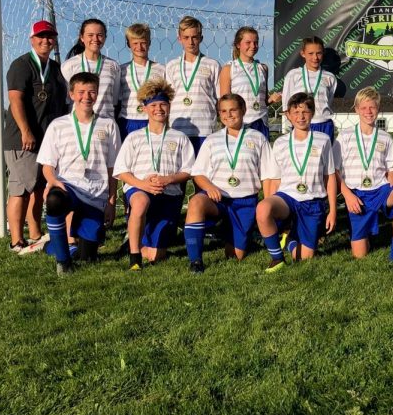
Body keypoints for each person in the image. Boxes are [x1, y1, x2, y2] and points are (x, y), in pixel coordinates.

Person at [37, 72, 121, 274]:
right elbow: (47, 164)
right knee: (55, 200)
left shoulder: (108, 125)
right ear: (71, 94)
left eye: (92, 92)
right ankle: (63, 263)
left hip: (96, 194)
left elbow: (113, 167)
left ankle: (53, 246)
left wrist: (111, 200)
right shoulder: (58, 125)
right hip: (70, 187)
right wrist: (52, 181)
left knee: (88, 257)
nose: (87, 96)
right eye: (81, 92)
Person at [184, 94, 278, 273]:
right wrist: (209, 187)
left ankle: (232, 232)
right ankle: (195, 262)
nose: (228, 115)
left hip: (245, 202)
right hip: (217, 199)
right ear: (219, 114)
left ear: (243, 110)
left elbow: (268, 175)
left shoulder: (258, 138)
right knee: (196, 201)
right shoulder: (212, 140)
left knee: (235, 256)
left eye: (233, 110)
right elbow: (198, 174)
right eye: (224, 111)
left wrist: (267, 205)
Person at [112, 78, 194, 270]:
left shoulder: (179, 137)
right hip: (140, 189)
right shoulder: (134, 137)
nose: (159, 109)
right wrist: (143, 184)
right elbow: (121, 171)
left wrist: (168, 179)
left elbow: (189, 170)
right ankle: (134, 258)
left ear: (169, 106)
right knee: (140, 203)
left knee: (156, 256)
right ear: (145, 108)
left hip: (169, 193)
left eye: (163, 104)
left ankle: (144, 243)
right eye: (154, 105)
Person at [2, 20, 69, 254]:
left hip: (45, 141)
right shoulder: (21, 65)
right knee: (21, 189)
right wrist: (26, 130)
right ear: (32, 39)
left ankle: (35, 234)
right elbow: (15, 99)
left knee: (39, 188)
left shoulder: (55, 68)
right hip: (22, 139)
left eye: (50, 37)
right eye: (41, 36)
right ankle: (16, 241)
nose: (46, 41)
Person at [255, 93, 337, 271]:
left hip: (313, 201)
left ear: (313, 113)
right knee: (262, 208)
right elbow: (275, 179)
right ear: (288, 115)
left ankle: (290, 240)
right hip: (287, 198)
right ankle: (277, 258)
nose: (301, 117)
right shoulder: (280, 143)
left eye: (305, 112)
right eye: (296, 112)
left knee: (304, 258)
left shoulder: (323, 141)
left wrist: (332, 211)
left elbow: (329, 177)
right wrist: (269, 207)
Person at [333, 88, 393, 266]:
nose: (368, 112)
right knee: (360, 254)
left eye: (372, 107)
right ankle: (366, 233)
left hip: (380, 189)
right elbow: (335, 171)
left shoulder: (386, 137)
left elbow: (389, 169)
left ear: (378, 108)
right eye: (364, 108)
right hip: (356, 194)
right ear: (356, 109)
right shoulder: (344, 136)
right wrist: (347, 194)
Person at [165, 16, 221, 156]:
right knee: (178, 177)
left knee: (202, 176)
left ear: (201, 38)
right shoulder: (171, 66)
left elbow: (219, 98)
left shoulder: (212, 65)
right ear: (179, 38)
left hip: (205, 130)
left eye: (194, 37)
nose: (191, 42)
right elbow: (168, 99)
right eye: (186, 37)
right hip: (177, 130)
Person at [218, 26, 282, 139]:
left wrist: (271, 99)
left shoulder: (263, 68)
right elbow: (224, 102)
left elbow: (263, 100)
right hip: (240, 123)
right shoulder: (229, 68)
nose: (253, 46)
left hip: (261, 122)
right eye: (248, 42)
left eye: (256, 42)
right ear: (238, 45)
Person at [61, 18, 121, 119]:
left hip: (105, 124)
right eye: (90, 35)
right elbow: (68, 99)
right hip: (79, 124)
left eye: (100, 35)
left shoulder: (113, 66)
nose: (95, 39)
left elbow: (114, 99)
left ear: (105, 38)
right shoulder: (69, 65)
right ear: (82, 37)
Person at [116, 23, 166, 141]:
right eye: (135, 43)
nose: (139, 47)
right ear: (128, 44)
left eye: (143, 42)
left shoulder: (161, 69)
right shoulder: (122, 69)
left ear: (149, 43)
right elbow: (116, 99)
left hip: (151, 120)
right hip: (127, 120)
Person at [280, 36, 337, 138]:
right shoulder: (293, 75)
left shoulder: (330, 77)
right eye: (310, 53)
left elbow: (328, 102)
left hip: (325, 124)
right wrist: (298, 124)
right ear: (303, 53)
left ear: (323, 53)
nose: (315, 58)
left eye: (318, 53)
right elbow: (286, 106)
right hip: (302, 125)